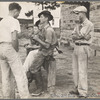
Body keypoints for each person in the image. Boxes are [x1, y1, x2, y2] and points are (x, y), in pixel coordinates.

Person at [0, 3, 32, 99]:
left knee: (5, 76)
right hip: (10, 47)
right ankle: (25, 96)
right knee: (20, 75)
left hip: (1, 47)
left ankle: (7, 97)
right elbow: (14, 38)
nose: (18, 15)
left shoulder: (2, 21)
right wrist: (16, 49)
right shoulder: (14, 21)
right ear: (15, 11)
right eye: (18, 13)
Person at [28, 10, 58, 96]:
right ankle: (35, 86)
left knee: (33, 68)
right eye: (40, 17)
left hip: (47, 53)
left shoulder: (49, 30)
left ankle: (40, 89)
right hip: (43, 51)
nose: (40, 18)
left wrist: (37, 39)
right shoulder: (44, 29)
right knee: (32, 67)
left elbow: (47, 46)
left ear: (46, 18)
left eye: (41, 17)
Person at [70, 6, 94, 98]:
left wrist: (79, 36)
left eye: (78, 13)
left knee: (82, 70)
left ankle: (83, 92)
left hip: (84, 47)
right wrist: (80, 36)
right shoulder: (78, 24)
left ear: (83, 13)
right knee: (75, 69)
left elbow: (80, 35)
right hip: (76, 47)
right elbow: (73, 36)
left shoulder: (89, 24)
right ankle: (77, 88)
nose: (77, 16)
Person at [23, 20, 44, 96]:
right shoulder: (32, 35)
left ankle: (28, 84)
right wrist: (30, 45)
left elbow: (43, 45)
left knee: (29, 67)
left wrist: (32, 46)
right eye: (29, 29)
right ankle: (26, 84)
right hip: (36, 52)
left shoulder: (40, 34)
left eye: (34, 28)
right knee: (29, 66)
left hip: (42, 52)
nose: (30, 30)